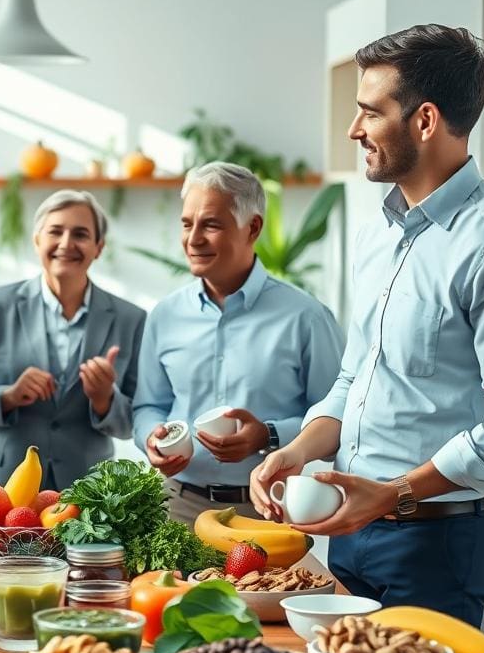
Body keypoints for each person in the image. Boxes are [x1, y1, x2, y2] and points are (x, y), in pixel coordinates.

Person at [249, 24, 484, 653]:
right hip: (348, 539)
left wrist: (395, 492)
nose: (354, 129)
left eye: (369, 111)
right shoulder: (380, 233)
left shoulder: (480, 241)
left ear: (425, 120)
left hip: (436, 544)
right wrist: (297, 451)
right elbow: (355, 378)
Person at [133, 162, 344, 527]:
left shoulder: (307, 317)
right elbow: (149, 405)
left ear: (253, 228)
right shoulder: (164, 315)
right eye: (187, 224)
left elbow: (338, 419)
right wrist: (150, 437)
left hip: (267, 510)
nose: (193, 239)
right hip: (176, 507)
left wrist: (268, 434)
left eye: (211, 224)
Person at [0, 190, 145, 491]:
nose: (66, 243)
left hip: (87, 488)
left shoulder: (131, 319)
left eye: (80, 234)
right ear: (37, 240)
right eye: (55, 231)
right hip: (2, 486)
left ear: (99, 247)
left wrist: (105, 400)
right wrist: (9, 396)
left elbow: (137, 421)